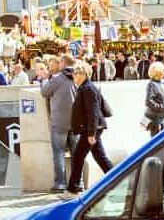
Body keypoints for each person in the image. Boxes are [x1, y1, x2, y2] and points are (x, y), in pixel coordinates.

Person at [67, 60, 113, 193]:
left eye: (77, 73)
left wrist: (91, 133)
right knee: (100, 157)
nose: (74, 76)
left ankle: (73, 187)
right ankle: (115, 179)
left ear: (84, 74)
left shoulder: (88, 89)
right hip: (91, 128)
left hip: (91, 129)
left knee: (78, 156)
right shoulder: (84, 88)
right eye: (74, 73)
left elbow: (93, 112)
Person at [40, 55, 77, 193]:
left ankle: (61, 183)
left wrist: (44, 80)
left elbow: (44, 92)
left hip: (59, 122)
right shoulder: (78, 76)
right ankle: (78, 182)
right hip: (76, 123)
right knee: (76, 154)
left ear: (63, 63)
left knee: (59, 153)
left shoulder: (58, 78)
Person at [143, 61, 164, 137]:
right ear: (158, 72)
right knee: (157, 141)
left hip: (160, 118)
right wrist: (160, 107)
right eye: (163, 71)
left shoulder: (159, 83)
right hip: (155, 120)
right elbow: (148, 101)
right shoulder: (152, 84)